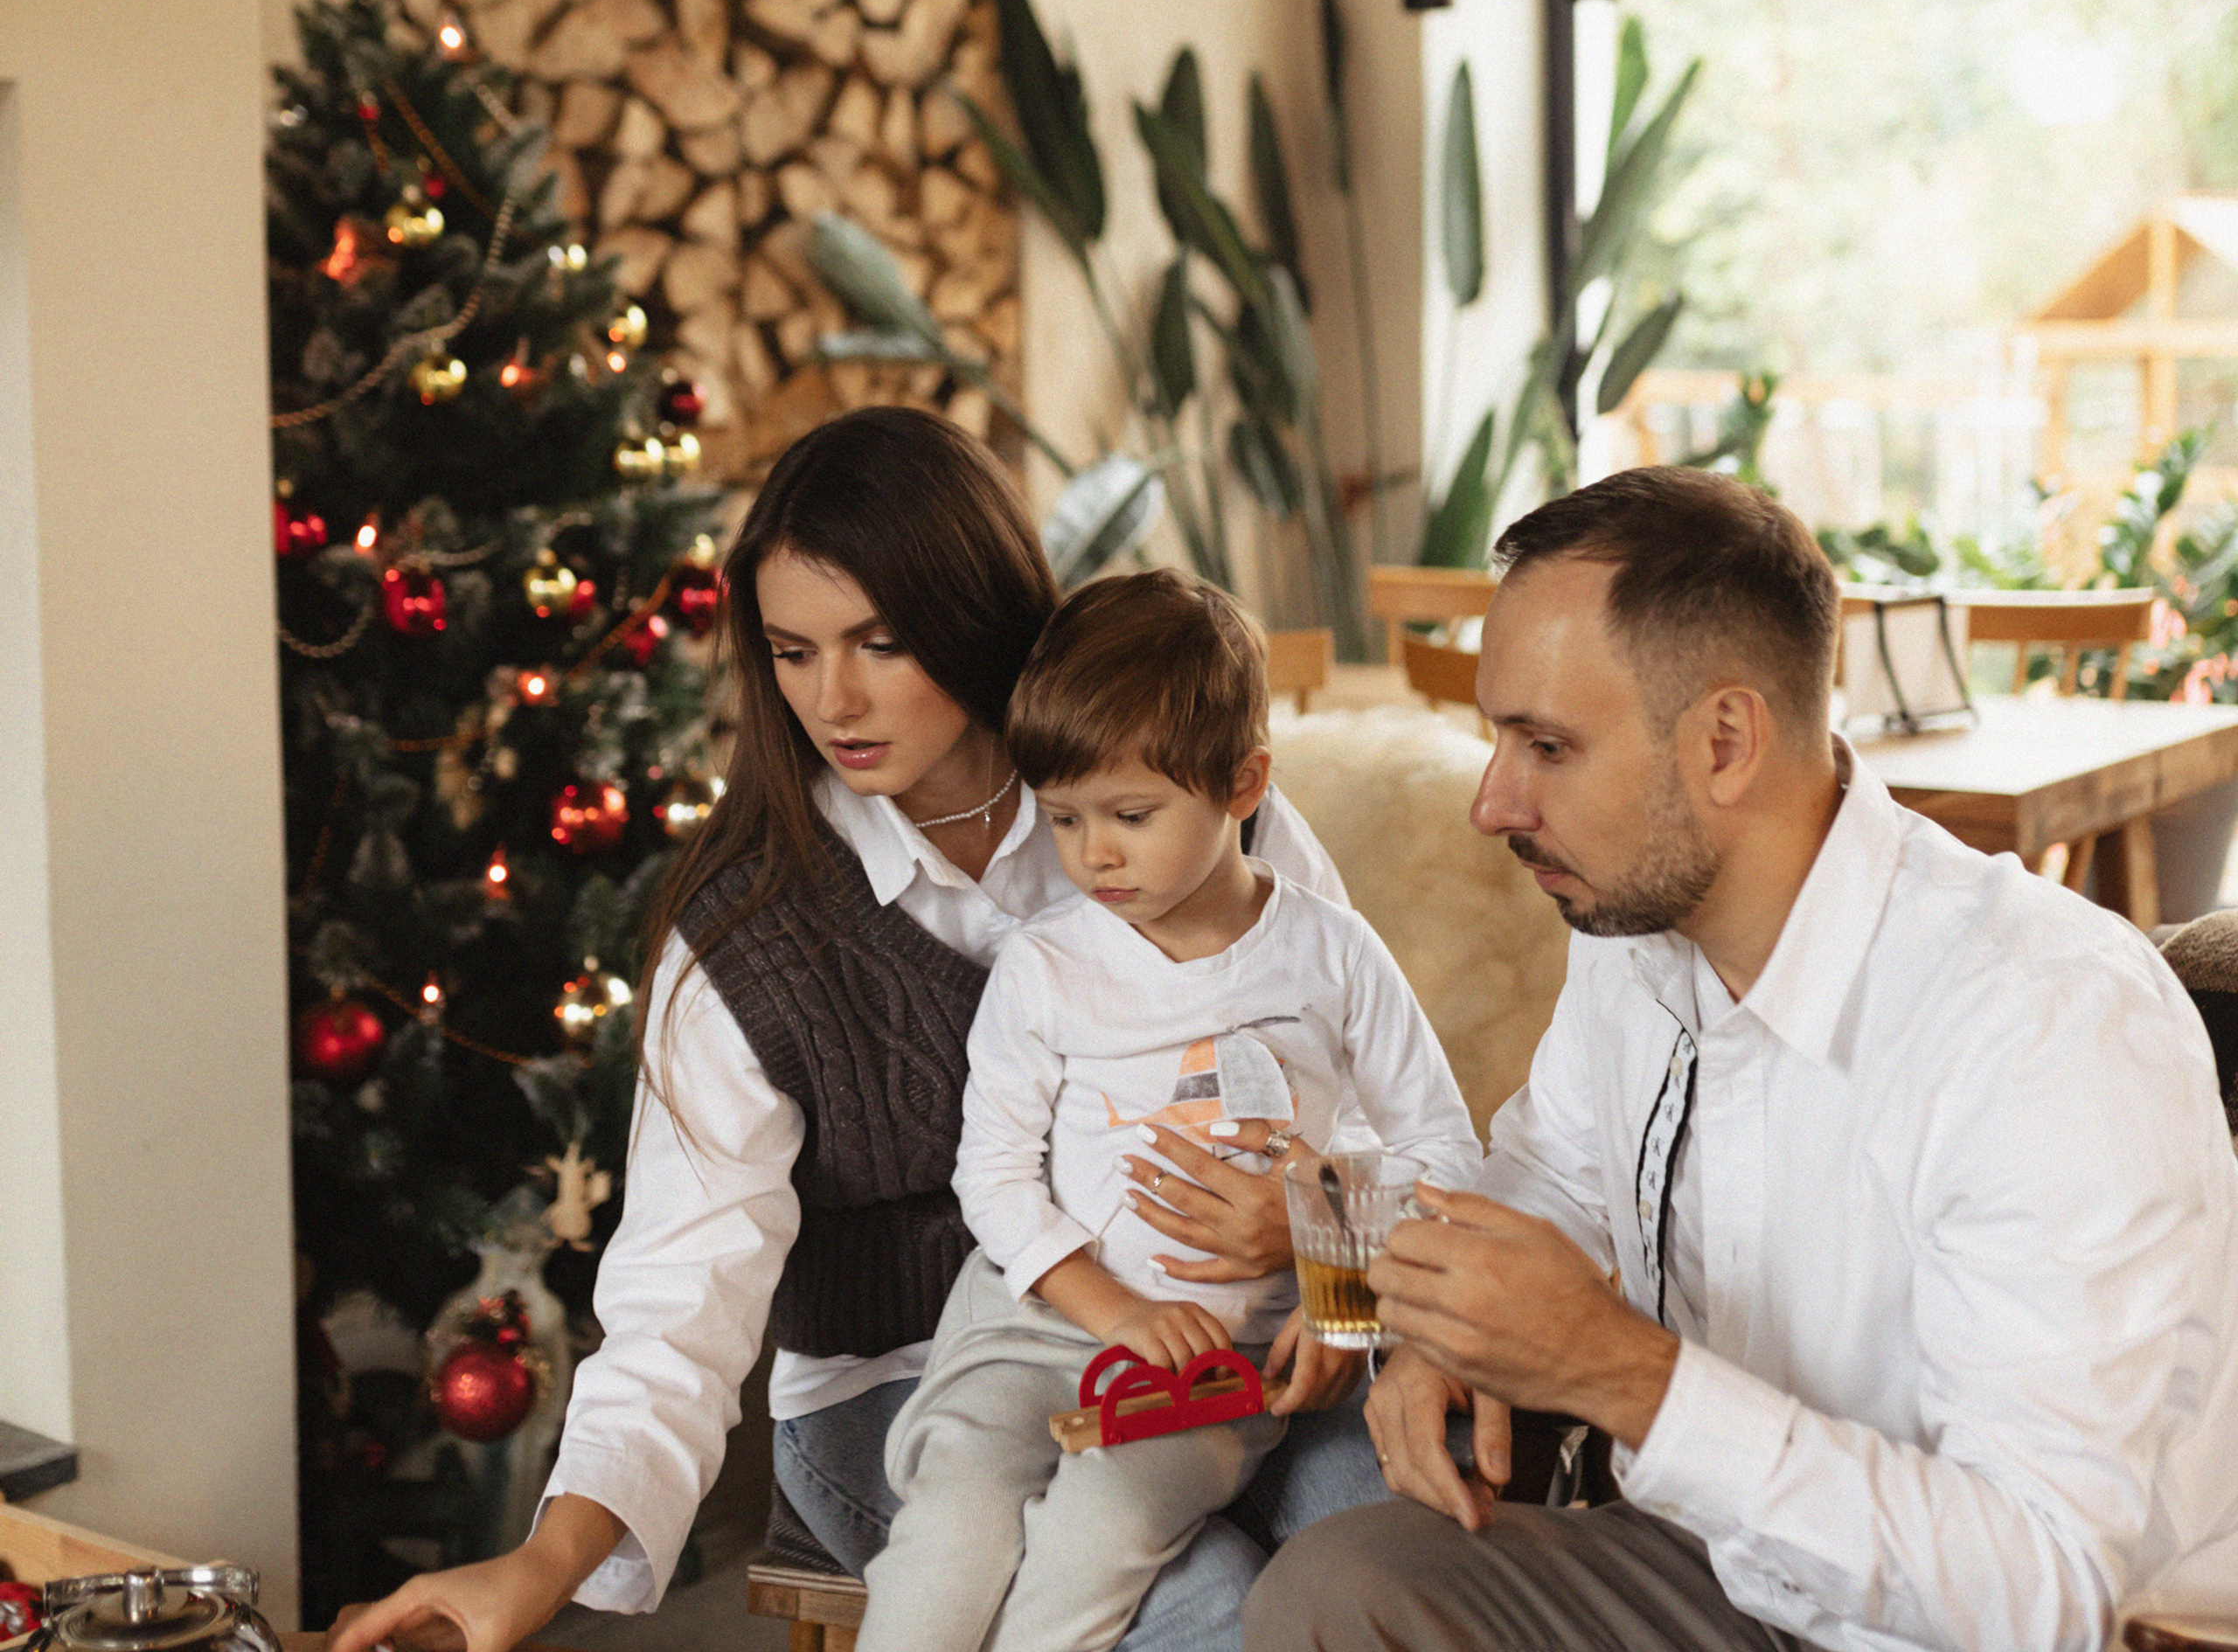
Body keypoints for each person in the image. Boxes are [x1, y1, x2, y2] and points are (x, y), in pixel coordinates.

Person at [327, 407, 1386, 1652]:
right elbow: (682, 1293)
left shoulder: (1190, 797)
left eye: (881, 642)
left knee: (1387, 1553)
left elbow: (1364, 1104)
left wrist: (1335, 1272)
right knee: (1209, 1616)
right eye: (791, 650)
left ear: (975, 612)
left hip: (1244, 1348)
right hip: (905, 1397)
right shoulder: (748, 934)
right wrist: (538, 1565)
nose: (834, 698)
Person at [1247, 467, 2238, 1652]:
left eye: (1547, 745)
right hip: (1731, 1565)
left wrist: (1632, 1381)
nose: (1494, 802)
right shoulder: (1632, 928)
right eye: (1495, 738)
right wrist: (1436, 1321)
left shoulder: (2049, 1029)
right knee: (1338, 1585)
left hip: (2004, 1625)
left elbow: (2047, 1589)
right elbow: (1551, 1171)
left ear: (1724, 741)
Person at [858, 570, 1482, 1652]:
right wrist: (1115, 1310)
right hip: (1029, 1324)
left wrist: (1339, 1292)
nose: (1092, 853)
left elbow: (1443, 1148)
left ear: (1244, 785)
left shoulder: (1330, 952)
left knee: (1102, 1529)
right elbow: (992, 1175)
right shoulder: (1046, 968)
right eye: (1062, 817)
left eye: (1131, 815)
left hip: (1217, 1365)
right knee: (952, 1528)